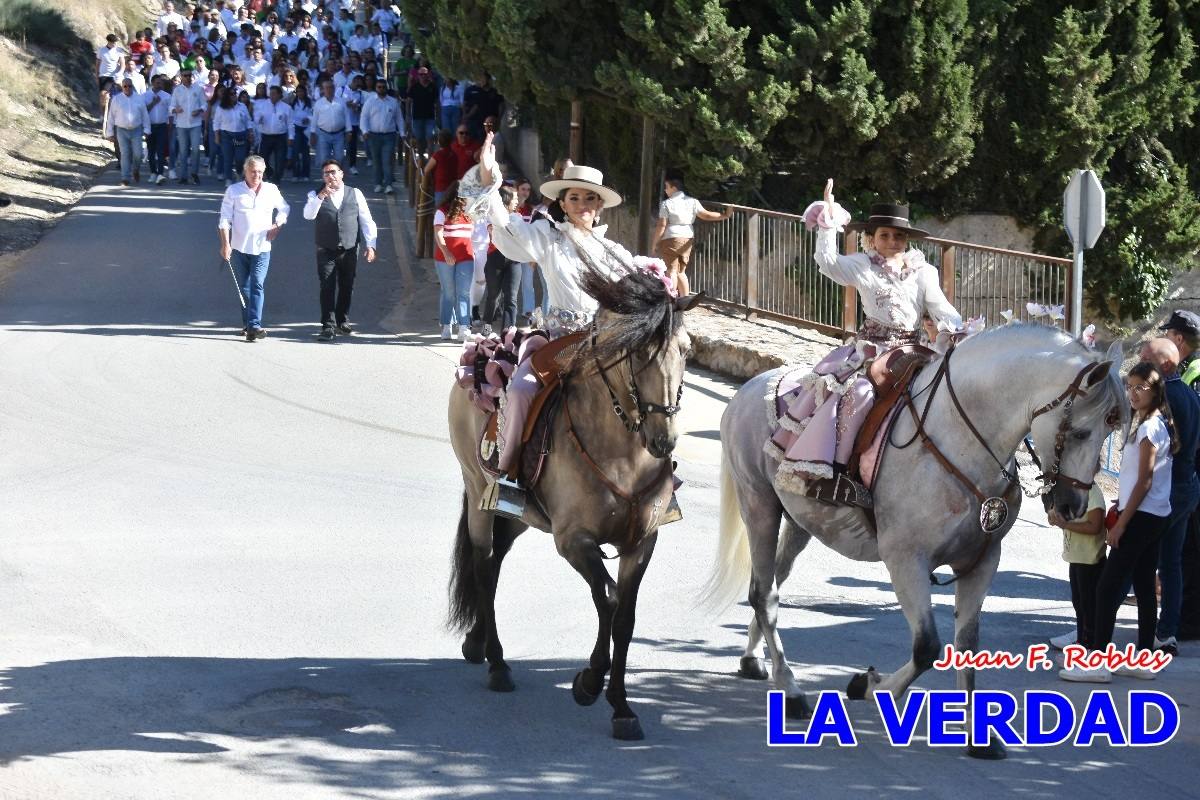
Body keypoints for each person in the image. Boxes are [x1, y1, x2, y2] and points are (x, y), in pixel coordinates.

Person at [765, 179, 963, 507]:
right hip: (871, 350)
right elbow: (828, 263)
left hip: (913, 350)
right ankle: (840, 473)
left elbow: (941, 307)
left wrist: (961, 330)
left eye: (898, 236)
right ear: (872, 238)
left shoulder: (923, 271)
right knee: (858, 394)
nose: (892, 241)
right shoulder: (861, 264)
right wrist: (828, 221)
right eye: (885, 235)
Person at [477, 133, 634, 478]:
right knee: (521, 390)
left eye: (589, 198)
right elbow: (506, 230)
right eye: (574, 197)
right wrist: (490, 180)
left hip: (605, 345)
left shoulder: (615, 253)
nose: (582, 205)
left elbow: (639, 291)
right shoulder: (548, 239)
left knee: (650, 394)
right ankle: (509, 468)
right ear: (562, 203)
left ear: (600, 205)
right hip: (560, 343)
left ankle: (655, 479)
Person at [1060, 362, 1176, 683]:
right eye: (1130, 387)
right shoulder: (1151, 424)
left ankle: (1097, 663)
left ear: (1155, 391)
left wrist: (1122, 522)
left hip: (1140, 518)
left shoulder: (1149, 428)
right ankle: (1143, 660)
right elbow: (1140, 481)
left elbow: (1145, 481)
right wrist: (1123, 504)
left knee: (1107, 588)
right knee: (1144, 586)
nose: (1133, 393)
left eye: (1141, 387)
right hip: (1152, 515)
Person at [1139, 337, 1200, 656]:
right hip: (1186, 487)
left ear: (1164, 364)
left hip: (1165, 492)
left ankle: (1092, 630)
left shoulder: (1164, 398)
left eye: (1146, 358)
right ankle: (1166, 633)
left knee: (1131, 560)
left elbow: (1154, 457)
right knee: (1171, 564)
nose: (1140, 362)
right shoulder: (1188, 393)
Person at [302, 160, 378, 341]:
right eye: (326, 173)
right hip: (326, 248)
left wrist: (371, 245)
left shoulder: (355, 193)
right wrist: (321, 196)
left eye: (333, 172)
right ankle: (328, 325)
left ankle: (342, 319)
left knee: (347, 285)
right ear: (323, 177)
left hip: (349, 247)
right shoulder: (315, 194)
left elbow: (367, 220)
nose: (330, 176)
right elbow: (308, 215)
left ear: (341, 174)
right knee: (327, 285)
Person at [1159, 310, 1200, 640]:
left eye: (1168, 333)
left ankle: (1188, 620)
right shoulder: (1188, 371)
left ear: (1178, 338)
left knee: (1187, 553)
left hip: (1187, 474)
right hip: (1188, 473)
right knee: (1179, 554)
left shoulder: (1192, 374)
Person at [218, 154, 289, 342]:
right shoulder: (234, 190)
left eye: (259, 172)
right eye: (252, 171)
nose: (256, 175)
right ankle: (248, 325)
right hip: (239, 248)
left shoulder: (271, 190)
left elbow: (284, 208)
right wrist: (225, 244)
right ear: (245, 171)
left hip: (262, 248)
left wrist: (277, 224)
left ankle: (254, 325)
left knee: (257, 284)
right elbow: (224, 219)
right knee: (244, 288)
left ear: (264, 172)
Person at [1047, 479, 1108, 653]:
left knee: (1089, 606)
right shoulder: (1071, 490)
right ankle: (1082, 641)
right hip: (1076, 557)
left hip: (1089, 560)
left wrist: (1066, 524)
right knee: (1079, 603)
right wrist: (1055, 516)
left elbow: (1095, 526)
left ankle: (1090, 645)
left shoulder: (1093, 492)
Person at [650, 170, 732, 295]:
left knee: (671, 270)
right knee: (681, 271)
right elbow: (706, 215)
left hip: (671, 238)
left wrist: (655, 243)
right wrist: (725, 215)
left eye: (667, 187)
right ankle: (686, 299)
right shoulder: (693, 201)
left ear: (674, 188)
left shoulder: (666, 204)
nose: (665, 190)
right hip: (687, 238)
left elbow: (662, 225)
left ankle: (670, 298)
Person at [433, 182, 475, 341]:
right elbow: (438, 234)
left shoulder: (470, 213)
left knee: (464, 292)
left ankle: (464, 327)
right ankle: (446, 325)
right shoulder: (442, 211)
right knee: (448, 292)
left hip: (466, 258)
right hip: (445, 258)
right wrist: (446, 252)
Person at [480, 185, 522, 331]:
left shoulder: (518, 217)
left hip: (514, 260)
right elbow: (495, 233)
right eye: (514, 198)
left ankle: (508, 331)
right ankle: (487, 325)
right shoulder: (492, 216)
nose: (517, 201)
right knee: (493, 295)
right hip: (495, 258)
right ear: (506, 199)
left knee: (511, 297)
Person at [104, 78, 150, 186]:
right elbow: (111, 117)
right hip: (121, 130)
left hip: (136, 130)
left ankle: (136, 169)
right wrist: (109, 133)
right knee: (125, 154)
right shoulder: (116, 99)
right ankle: (125, 178)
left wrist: (147, 129)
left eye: (129, 86)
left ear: (132, 86)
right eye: (125, 86)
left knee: (138, 154)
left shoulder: (139, 99)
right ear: (122, 87)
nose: (127, 88)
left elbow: (145, 115)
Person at [360, 80, 402, 193]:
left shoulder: (393, 102)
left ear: (386, 88)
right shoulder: (370, 101)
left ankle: (388, 184)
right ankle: (378, 183)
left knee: (387, 161)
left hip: (389, 135)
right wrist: (365, 131)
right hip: (373, 136)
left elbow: (399, 118)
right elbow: (364, 117)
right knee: (377, 161)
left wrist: (402, 133)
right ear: (376, 88)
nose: (381, 89)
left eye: (383, 87)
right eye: (379, 87)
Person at [212, 85, 253, 186]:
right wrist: (217, 136)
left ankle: (239, 173)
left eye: (235, 94)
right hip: (226, 135)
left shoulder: (242, 106)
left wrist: (250, 132)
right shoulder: (221, 108)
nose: (234, 95)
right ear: (227, 96)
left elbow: (248, 120)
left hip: (241, 135)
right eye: (231, 94)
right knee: (228, 158)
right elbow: (216, 122)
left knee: (240, 158)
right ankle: (228, 178)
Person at [255, 84, 293, 181]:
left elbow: (290, 123)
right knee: (263, 159)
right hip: (266, 136)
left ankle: (276, 180)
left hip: (280, 137)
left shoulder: (286, 107)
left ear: (279, 95)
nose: (272, 96)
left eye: (274, 94)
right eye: (271, 94)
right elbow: (256, 119)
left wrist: (291, 137)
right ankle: (269, 172)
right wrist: (259, 119)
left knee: (280, 160)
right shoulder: (263, 105)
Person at [310, 79, 348, 166]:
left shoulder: (341, 102)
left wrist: (349, 131)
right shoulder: (319, 103)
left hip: (339, 134)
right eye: (327, 88)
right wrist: (312, 133)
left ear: (334, 89)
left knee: (339, 157)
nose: (329, 90)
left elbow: (346, 116)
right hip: (323, 134)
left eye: (331, 87)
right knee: (324, 159)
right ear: (323, 90)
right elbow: (314, 119)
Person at [407, 66, 437, 155]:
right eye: (421, 74)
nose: (423, 76)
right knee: (419, 139)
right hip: (417, 117)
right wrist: (408, 115)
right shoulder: (414, 87)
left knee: (430, 137)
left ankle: (431, 159)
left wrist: (438, 116)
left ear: (428, 75)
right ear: (418, 75)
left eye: (425, 74)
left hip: (430, 117)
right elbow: (408, 101)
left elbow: (437, 102)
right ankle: (421, 158)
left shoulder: (433, 87)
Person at [423, 130, 457, 207]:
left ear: (439, 141)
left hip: (441, 188)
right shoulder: (454, 154)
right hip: (452, 188)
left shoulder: (438, 155)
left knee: (440, 210)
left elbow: (426, 169)